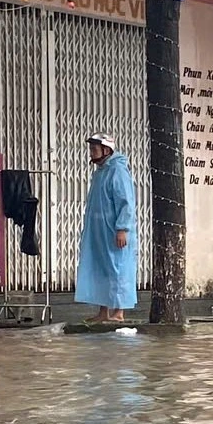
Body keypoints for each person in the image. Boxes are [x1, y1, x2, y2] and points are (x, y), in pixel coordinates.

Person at [76, 133, 137, 322]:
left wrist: (122, 228)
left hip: (114, 231)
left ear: (107, 150)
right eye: (91, 149)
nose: (92, 153)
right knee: (101, 269)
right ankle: (103, 312)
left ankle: (119, 312)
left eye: (95, 149)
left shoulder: (118, 171)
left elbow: (125, 202)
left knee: (117, 269)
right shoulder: (101, 172)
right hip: (100, 232)